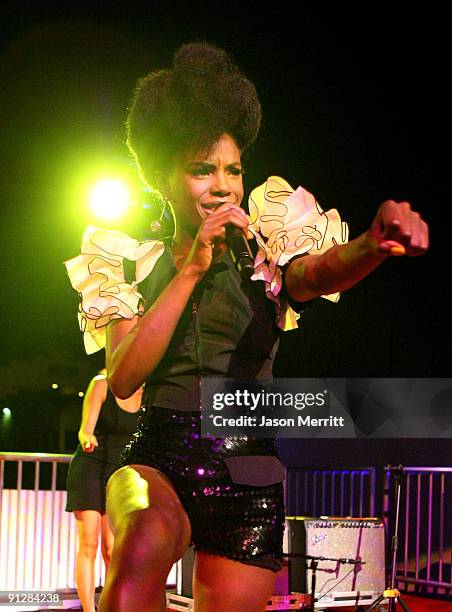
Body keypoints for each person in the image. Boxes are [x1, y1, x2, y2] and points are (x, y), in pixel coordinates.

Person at [65, 42, 429, 612]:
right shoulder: (132, 262)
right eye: (201, 170)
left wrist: (370, 246)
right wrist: (190, 271)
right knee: (136, 559)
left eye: (232, 169)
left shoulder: (270, 251)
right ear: (162, 178)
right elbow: (125, 376)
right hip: (158, 459)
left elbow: (317, 271)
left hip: (249, 478)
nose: (223, 186)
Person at [65, 368, 142, 612]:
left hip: (118, 474)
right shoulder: (102, 383)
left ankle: (111, 606)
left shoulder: (147, 393)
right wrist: (87, 437)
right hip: (90, 466)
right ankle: (88, 609)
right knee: (89, 542)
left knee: (113, 549)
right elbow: (84, 430)